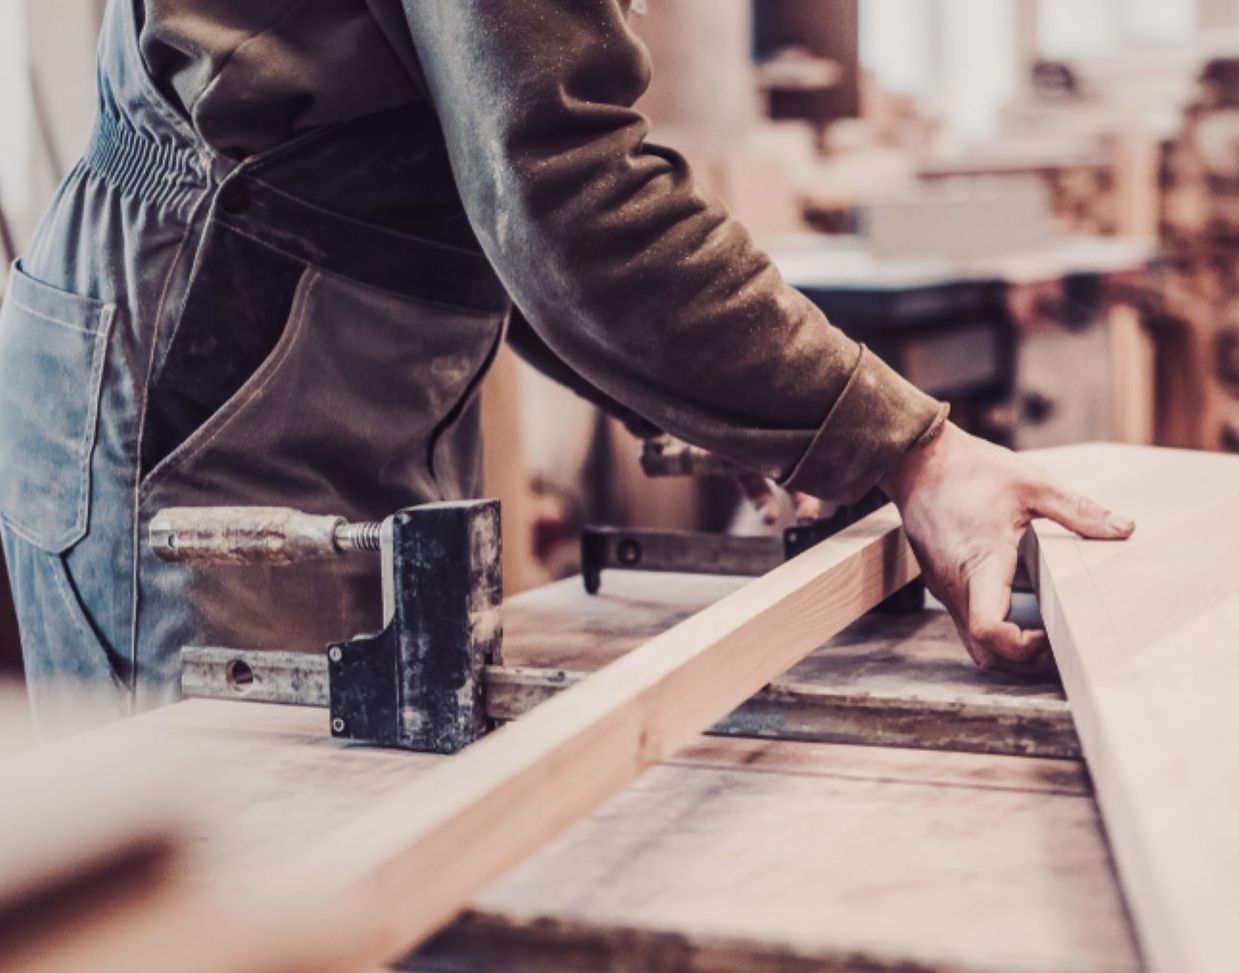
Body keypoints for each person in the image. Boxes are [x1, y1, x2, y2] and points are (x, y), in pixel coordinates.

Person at [0, 0, 1133, 731]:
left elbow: (494, 183)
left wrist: (747, 405)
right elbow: (566, 190)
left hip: (311, 354)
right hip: (197, 369)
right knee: (238, 846)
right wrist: (911, 446)